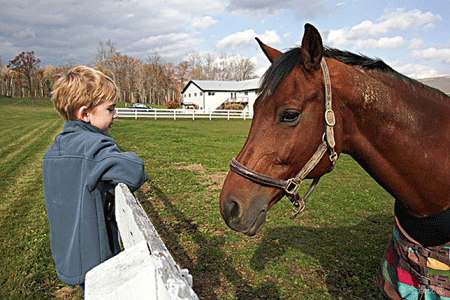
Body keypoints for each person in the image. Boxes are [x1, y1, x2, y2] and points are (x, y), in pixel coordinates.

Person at [42, 65, 148, 295]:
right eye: (110, 109)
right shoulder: (95, 147)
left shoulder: (53, 150)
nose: (115, 115)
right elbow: (134, 171)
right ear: (85, 114)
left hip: (68, 252)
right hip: (96, 256)